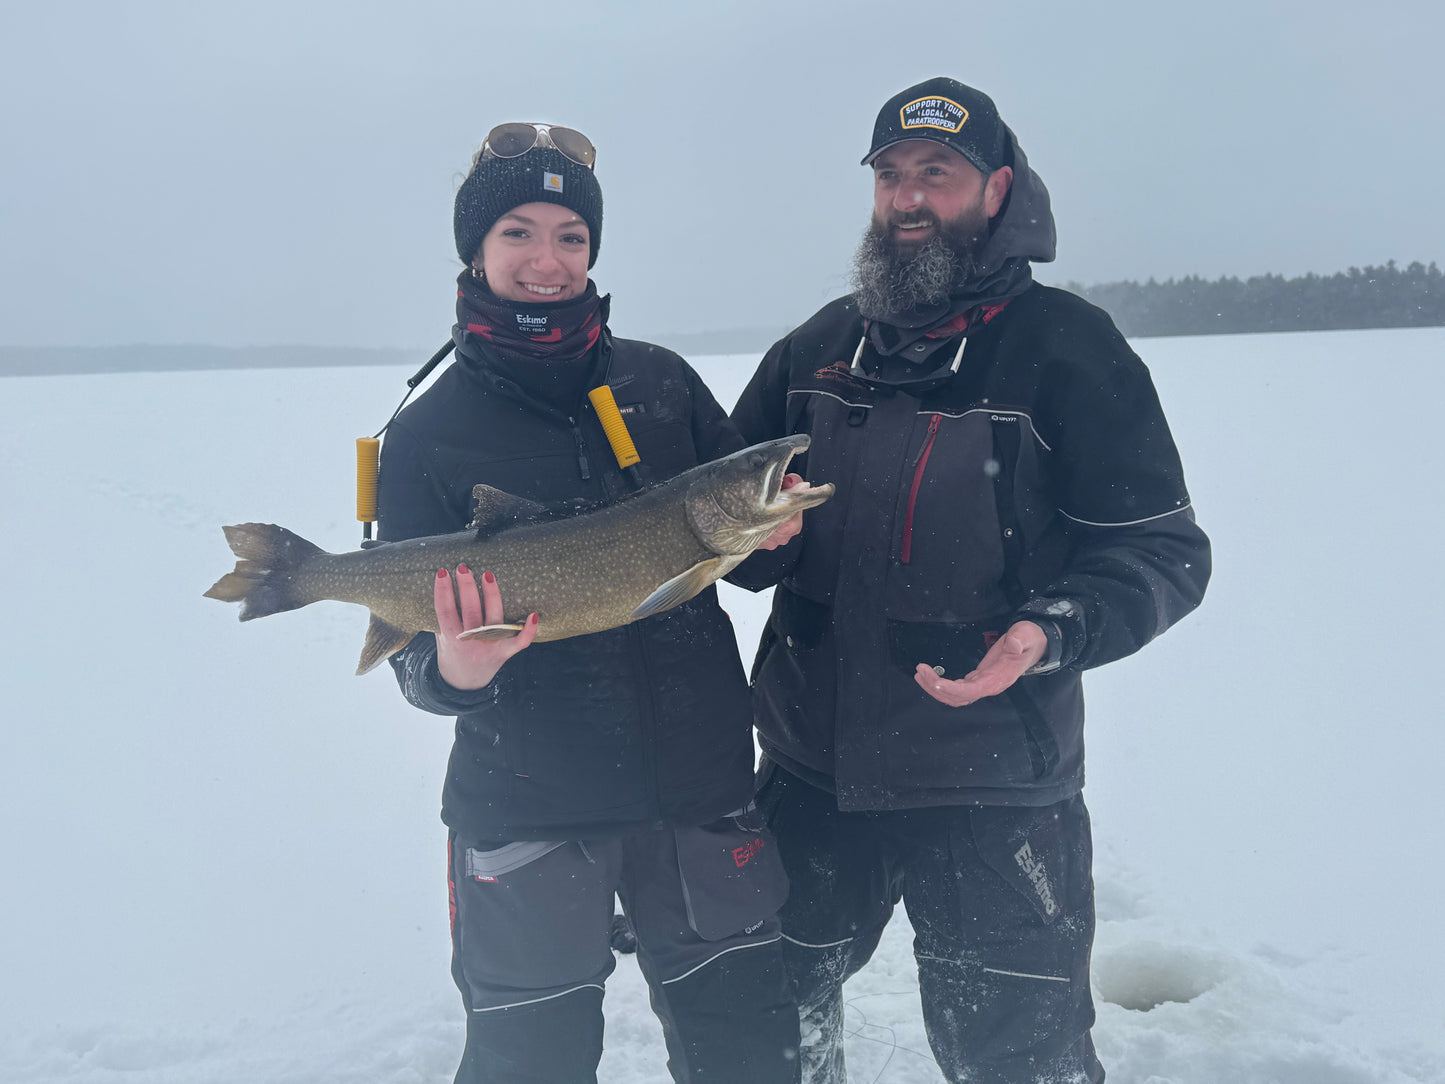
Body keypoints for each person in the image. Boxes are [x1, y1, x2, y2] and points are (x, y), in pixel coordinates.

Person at [728, 78, 1212, 1083]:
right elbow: (722, 521)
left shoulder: (1066, 350)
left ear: (995, 189)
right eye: (890, 176)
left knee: (1017, 1058)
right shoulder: (817, 351)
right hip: (811, 770)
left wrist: (1049, 629)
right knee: (761, 1029)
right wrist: (752, 547)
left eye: (935, 175)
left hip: (995, 783)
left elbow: (1159, 552)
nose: (908, 198)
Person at [376, 122, 801, 1084]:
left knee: (749, 1054)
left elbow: (743, 559)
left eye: (571, 236)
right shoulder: (426, 432)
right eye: (518, 232)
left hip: (700, 792)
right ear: (475, 251)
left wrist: (776, 542)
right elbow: (411, 657)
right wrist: (453, 671)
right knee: (529, 1061)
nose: (546, 259)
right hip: (528, 806)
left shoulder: (660, 382)